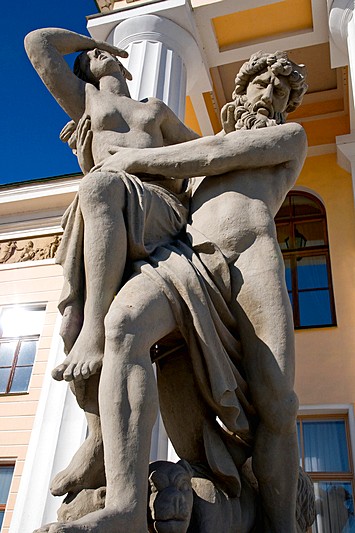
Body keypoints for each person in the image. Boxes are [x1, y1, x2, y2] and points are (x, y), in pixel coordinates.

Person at [30, 47, 308, 533]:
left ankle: (281, 526)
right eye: (262, 85)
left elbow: (214, 153)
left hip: (249, 262)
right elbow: (170, 179)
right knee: (123, 326)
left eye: (282, 92)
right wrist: (102, 153)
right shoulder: (193, 145)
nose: (270, 96)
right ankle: (125, 505)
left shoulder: (287, 136)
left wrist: (133, 157)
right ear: (240, 91)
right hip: (185, 258)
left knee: (277, 405)